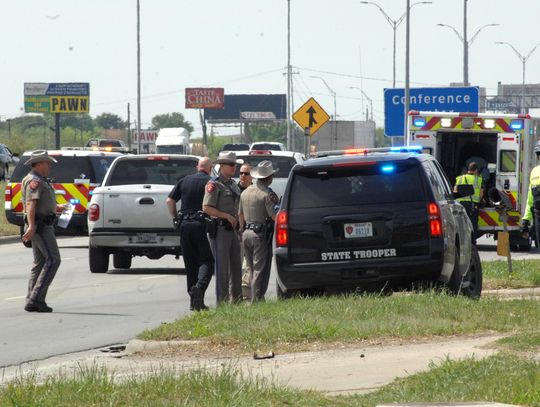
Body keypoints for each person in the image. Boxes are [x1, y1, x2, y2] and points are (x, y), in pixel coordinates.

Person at [166, 157, 214, 311]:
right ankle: (199, 287)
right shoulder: (211, 182)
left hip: (185, 225)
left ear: (197, 167)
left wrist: (175, 218)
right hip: (201, 225)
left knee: (190, 264)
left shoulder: (185, 180)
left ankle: (194, 301)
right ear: (210, 168)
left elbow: (169, 201)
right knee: (207, 261)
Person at [21, 150, 64, 313]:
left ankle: (32, 298)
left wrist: (56, 207)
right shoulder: (35, 180)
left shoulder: (39, 180)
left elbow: (37, 203)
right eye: (48, 163)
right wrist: (32, 226)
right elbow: (31, 204)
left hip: (41, 224)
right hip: (40, 226)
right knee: (53, 259)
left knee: (39, 263)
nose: (50, 166)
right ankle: (36, 299)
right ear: (39, 164)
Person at [202, 151, 243, 305]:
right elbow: (206, 207)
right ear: (222, 166)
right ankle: (223, 303)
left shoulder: (232, 184)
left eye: (235, 165)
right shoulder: (214, 184)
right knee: (222, 269)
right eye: (231, 165)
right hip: (220, 230)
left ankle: (237, 301)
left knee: (236, 267)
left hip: (233, 230)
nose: (234, 168)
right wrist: (225, 216)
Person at [239, 160, 279, 302]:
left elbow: (241, 215)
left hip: (246, 233)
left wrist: (241, 231)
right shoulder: (267, 194)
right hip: (260, 235)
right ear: (269, 177)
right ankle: (257, 299)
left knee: (250, 268)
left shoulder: (245, 192)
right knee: (259, 269)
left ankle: (252, 297)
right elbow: (274, 216)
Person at [454, 161, 484, 243]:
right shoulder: (479, 179)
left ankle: (460, 242)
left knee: (460, 223)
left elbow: (455, 191)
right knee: (472, 224)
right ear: (476, 170)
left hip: (460, 205)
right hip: (471, 205)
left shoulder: (459, 178)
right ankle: (471, 242)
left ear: (468, 169)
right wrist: (480, 201)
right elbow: (481, 194)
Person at [237, 163, 253, 300]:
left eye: (246, 173)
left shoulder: (256, 190)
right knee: (236, 263)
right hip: (236, 231)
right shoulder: (233, 189)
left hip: (251, 232)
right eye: (241, 173)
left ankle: (246, 293)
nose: (243, 176)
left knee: (248, 263)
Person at [521, 141, 540, 247]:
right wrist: (526, 219)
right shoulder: (534, 171)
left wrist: (526, 219)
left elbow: (530, 199)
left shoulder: (534, 171)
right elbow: (530, 198)